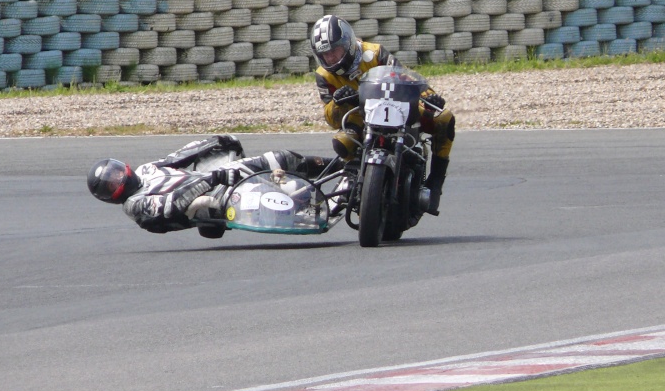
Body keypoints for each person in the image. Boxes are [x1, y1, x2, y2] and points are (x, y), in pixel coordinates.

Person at [310, 14, 456, 214]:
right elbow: (331, 119)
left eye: (335, 50)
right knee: (342, 142)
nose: (331, 58)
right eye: (325, 54)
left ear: (348, 43)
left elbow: (405, 76)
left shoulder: (375, 53)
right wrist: (337, 102)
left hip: (394, 108)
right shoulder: (324, 75)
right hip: (360, 118)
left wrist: (429, 96)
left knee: (443, 118)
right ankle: (353, 180)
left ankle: (436, 180)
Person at [87, 135, 334, 237]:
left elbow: (177, 158)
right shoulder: (135, 206)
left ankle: (339, 165)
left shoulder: (146, 170)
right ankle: (309, 207)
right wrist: (212, 179)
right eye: (112, 184)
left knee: (280, 158)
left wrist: (211, 142)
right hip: (206, 203)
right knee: (238, 196)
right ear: (110, 198)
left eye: (116, 173)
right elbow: (173, 204)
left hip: (210, 177)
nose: (118, 179)